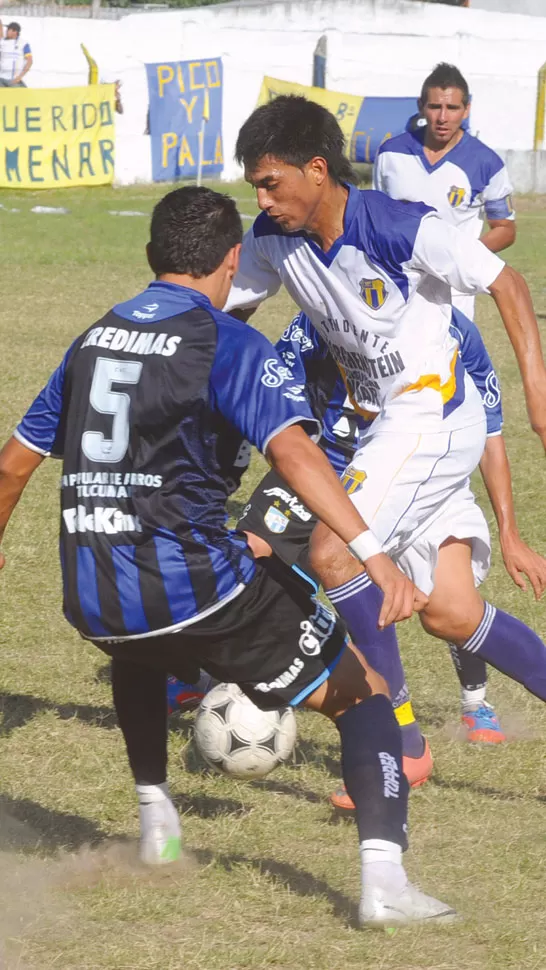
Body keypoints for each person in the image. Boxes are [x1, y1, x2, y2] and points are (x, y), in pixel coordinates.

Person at [0, 185, 455, 927]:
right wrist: (373, 555)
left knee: (138, 644)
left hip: (92, 598)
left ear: (151, 255)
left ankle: (157, 826)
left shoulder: (90, 339)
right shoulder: (224, 340)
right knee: (363, 692)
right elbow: (297, 455)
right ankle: (385, 884)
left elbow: (12, 469)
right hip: (193, 587)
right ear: (233, 258)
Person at [225, 95, 546, 810]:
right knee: (453, 615)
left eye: (271, 182)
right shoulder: (274, 239)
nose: (262, 198)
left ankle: (402, 741)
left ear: (316, 169)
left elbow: (509, 283)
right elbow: (221, 308)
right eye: (254, 185)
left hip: (434, 420)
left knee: (336, 555)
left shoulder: (402, 227)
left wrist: (536, 390)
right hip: (390, 437)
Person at [373, 63, 515, 319]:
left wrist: (462, 255)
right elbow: (375, 217)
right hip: (397, 286)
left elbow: (505, 228)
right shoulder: (391, 153)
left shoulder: (486, 163)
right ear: (421, 106)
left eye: (452, 108)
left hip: (454, 294)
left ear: (466, 109)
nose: (442, 117)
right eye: (435, 106)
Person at [0, 21, 32, 87]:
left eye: (9, 29)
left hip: (14, 80)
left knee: (24, 96)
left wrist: (20, 76)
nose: (6, 31)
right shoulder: (2, 42)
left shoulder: (23, 44)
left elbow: (29, 61)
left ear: (15, 32)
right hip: (1, 79)